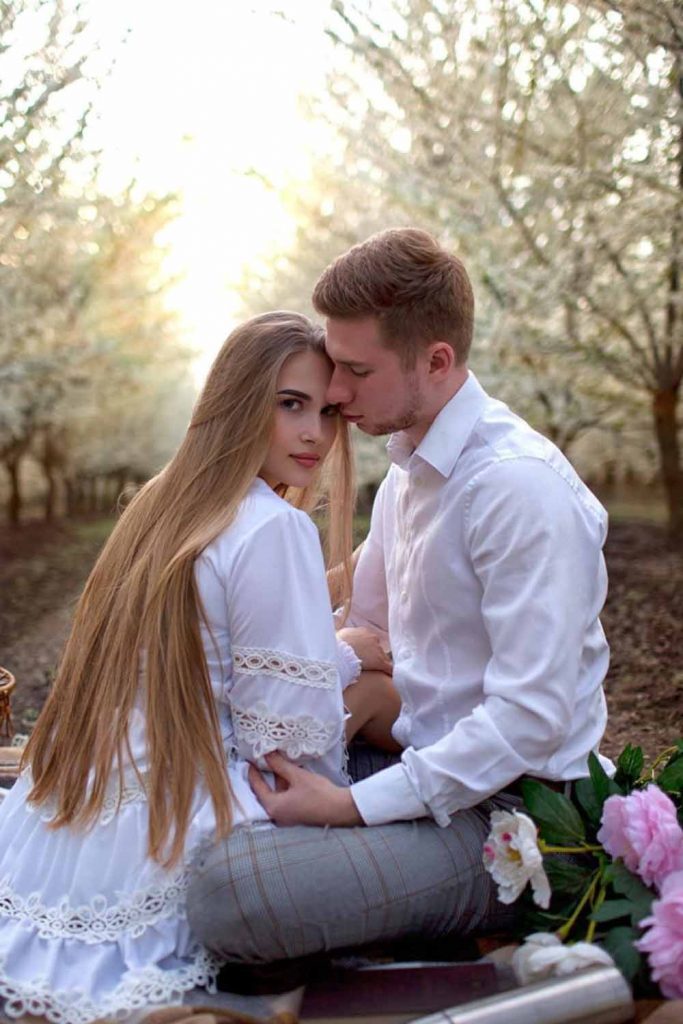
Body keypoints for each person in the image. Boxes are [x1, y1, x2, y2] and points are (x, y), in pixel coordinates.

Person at [187, 228, 611, 975]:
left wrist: (348, 809)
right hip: (417, 760)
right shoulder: (411, 471)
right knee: (212, 789)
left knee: (230, 891)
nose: (335, 394)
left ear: (436, 361)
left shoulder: (515, 488)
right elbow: (366, 624)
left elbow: (529, 717)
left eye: (355, 370)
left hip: (513, 814)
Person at [0, 311, 395, 1023]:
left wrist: (328, 631)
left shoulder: (162, 502)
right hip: (177, 808)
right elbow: (289, 740)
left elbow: (198, 646)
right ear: (239, 402)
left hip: (78, 809)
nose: (315, 433)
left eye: (328, 412)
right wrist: (345, 661)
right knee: (375, 692)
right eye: (290, 404)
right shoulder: (273, 526)